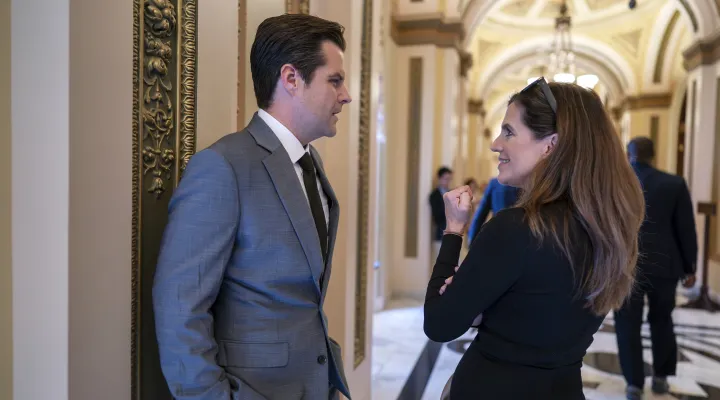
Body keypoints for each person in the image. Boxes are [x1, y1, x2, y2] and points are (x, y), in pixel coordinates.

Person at [152, 14, 352, 400]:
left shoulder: (310, 165)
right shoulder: (223, 166)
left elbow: (302, 302)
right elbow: (179, 310)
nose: (346, 95)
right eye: (335, 80)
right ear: (291, 78)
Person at [423, 78, 645, 399]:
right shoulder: (608, 231)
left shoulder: (515, 228)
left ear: (550, 145)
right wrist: (489, 304)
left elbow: (439, 324)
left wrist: (454, 230)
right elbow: (542, 315)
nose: (496, 143)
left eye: (509, 132)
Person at [614, 137, 698, 400]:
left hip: (627, 265)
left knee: (627, 324)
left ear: (629, 155)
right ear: (654, 155)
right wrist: (689, 267)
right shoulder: (674, 183)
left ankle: (634, 384)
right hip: (665, 265)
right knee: (662, 320)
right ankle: (660, 378)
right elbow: (685, 228)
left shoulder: (618, 183)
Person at [467, 176, 520, 244]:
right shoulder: (527, 182)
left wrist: (471, 239)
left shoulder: (495, 183)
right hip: (520, 236)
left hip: (499, 233)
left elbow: (480, 215)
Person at [429, 166, 453, 259]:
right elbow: (437, 215)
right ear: (439, 178)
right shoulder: (434, 195)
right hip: (440, 233)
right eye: (446, 179)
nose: (447, 182)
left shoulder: (451, 193)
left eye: (449, 179)